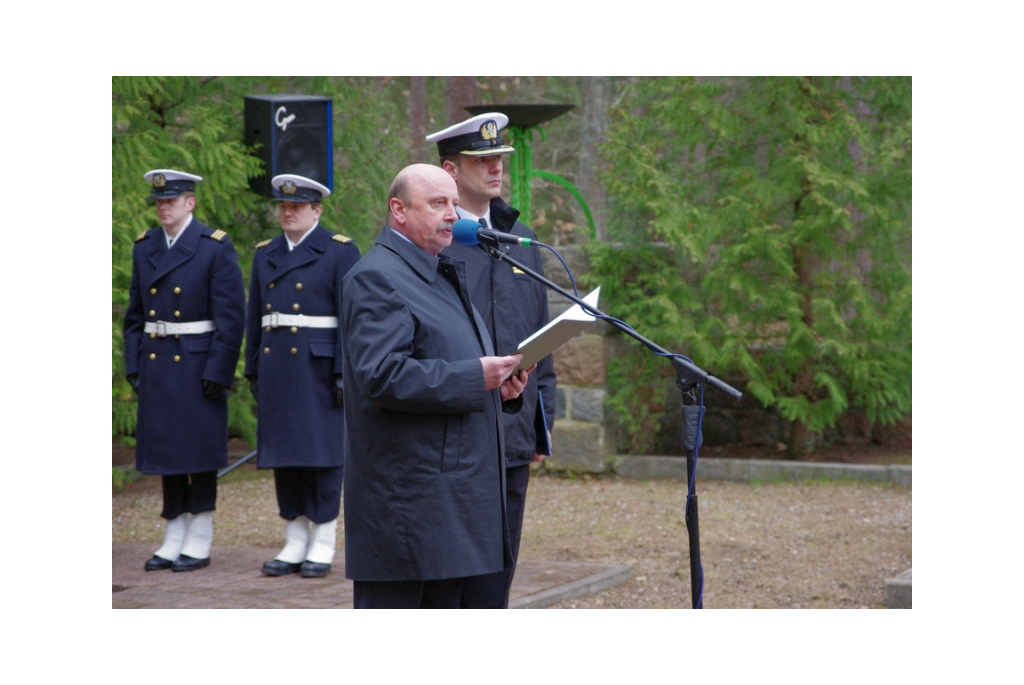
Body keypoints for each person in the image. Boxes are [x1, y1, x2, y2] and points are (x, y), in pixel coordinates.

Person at [341, 163, 533, 608]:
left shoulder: (437, 271)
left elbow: (443, 360)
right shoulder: (378, 277)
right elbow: (381, 374)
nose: (453, 214)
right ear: (399, 210)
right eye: (438, 203)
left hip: (448, 501)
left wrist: (498, 387)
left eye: (453, 203)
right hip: (408, 505)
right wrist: (474, 376)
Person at [426, 112, 557, 608]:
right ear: (451, 170)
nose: (496, 167)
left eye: (499, 157)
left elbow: (540, 337)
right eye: (482, 159)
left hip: (514, 432)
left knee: (497, 579)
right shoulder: (435, 241)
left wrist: (542, 423)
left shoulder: (519, 236)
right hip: (458, 432)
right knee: (453, 579)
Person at [124, 169, 246, 572]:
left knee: (199, 453)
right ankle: (174, 530)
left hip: (197, 364)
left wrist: (220, 369)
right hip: (157, 362)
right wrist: (133, 364)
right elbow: (134, 316)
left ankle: (201, 533)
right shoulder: (145, 248)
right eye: (159, 202)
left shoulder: (214, 247)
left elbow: (231, 318)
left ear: (189, 203)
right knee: (166, 455)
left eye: (171, 201)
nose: (163, 208)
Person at [244, 174, 361, 578]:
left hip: (320, 369)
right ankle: (295, 538)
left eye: (296, 206)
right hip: (279, 368)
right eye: (282, 206)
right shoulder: (265, 254)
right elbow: (254, 316)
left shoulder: (339, 252)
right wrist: (252, 365)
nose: (287, 211)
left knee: (323, 458)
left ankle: (324, 539)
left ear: (317, 210)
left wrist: (346, 371)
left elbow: (352, 318)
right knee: (285, 457)